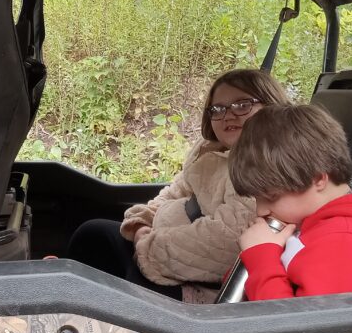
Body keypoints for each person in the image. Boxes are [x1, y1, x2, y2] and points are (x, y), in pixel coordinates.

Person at [68, 69, 291, 302]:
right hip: (164, 248)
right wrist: (141, 224)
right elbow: (172, 194)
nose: (228, 116)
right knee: (94, 234)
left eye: (242, 105)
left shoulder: (263, 167)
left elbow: (224, 242)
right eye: (218, 109)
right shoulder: (210, 154)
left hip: (204, 286)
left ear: (271, 108)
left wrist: (148, 247)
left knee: (129, 292)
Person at [228, 104, 352, 301]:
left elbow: (304, 327)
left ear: (318, 179)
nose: (260, 210)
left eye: (271, 197)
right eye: (256, 198)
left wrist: (261, 257)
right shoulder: (308, 220)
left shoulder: (347, 237)